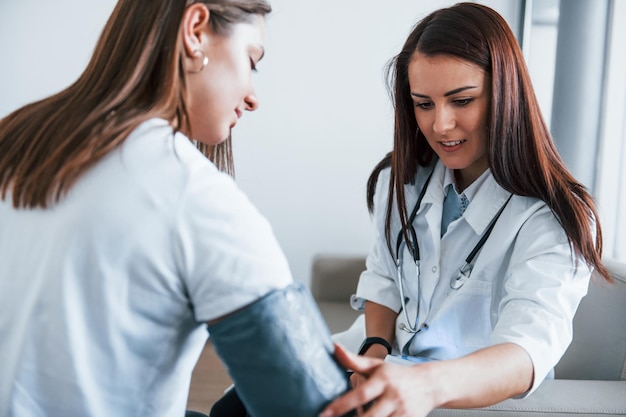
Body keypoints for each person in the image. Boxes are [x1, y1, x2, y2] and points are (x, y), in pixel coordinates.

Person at [0, 1, 351, 416]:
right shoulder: (195, 196)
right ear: (196, 30)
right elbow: (309, 406)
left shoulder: (16, 138)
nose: (253, 97)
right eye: (251, 61)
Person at [319, 2, 613, 417]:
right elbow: (383, 276)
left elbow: (527, 349)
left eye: (462, 100)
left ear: (504, 94)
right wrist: (375, 351)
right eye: (424, 104)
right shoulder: (402, 178)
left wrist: (422, 385)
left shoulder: (555, 217)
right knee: (239, 405)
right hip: (384, 370)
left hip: (461, 397)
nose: (440, 125)